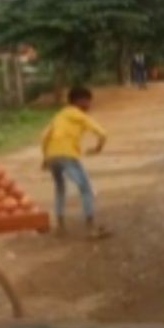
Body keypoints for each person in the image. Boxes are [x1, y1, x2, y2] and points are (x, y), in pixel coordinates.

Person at [41, 86, 110, 239]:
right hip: (68, 155)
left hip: (52, 156)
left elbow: (44, 136)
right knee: (85, 188)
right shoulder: (79, 115)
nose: (89, 106)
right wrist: (98, 148)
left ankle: (60, 225)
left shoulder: (59, 115)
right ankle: (91, 228)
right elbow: (102, 133)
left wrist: (45, 158)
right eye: (88, 102)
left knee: (60, 188)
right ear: (81, 101)